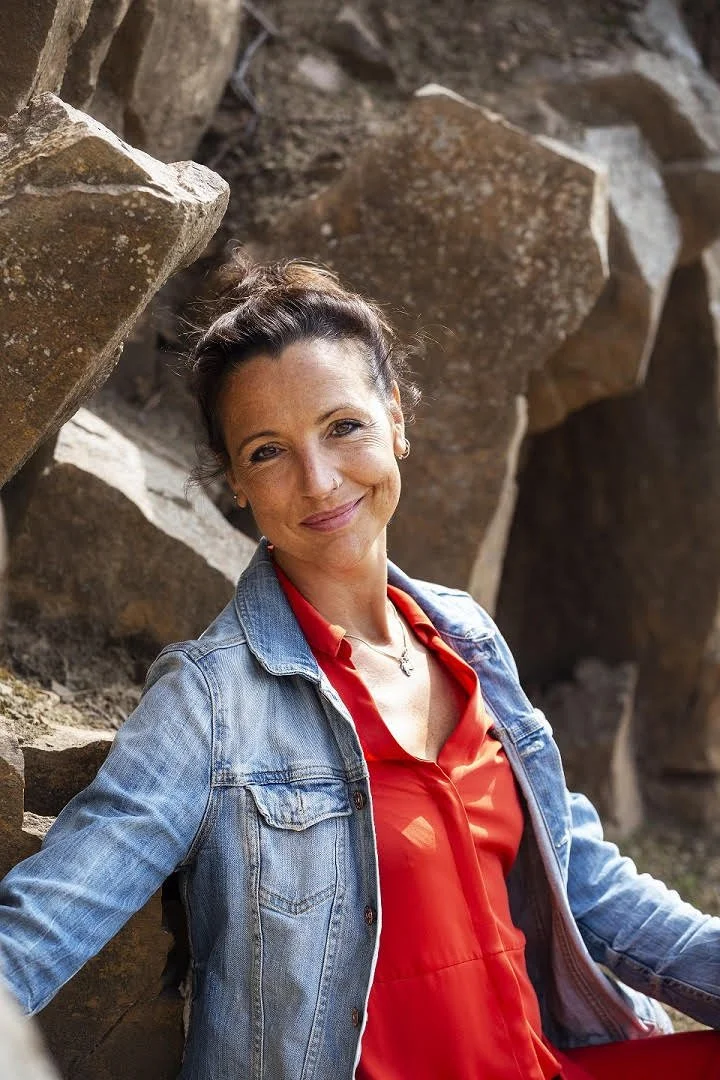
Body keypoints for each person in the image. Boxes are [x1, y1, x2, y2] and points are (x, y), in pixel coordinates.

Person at [0, 254, 719, 1080]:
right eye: (268, 451)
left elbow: (585, 888)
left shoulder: (467, 638)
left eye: (343, 427)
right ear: (236, 482)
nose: (318, 481)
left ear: (395, 419)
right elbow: (46, 922)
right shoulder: (211, 703)